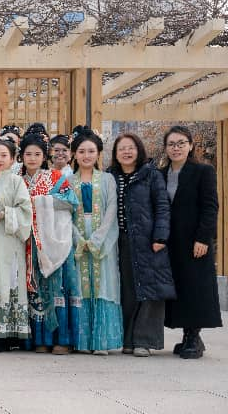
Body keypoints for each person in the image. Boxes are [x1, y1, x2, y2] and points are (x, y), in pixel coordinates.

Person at [108, 133, 174, 357]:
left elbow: (162, 206)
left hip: (148, 241)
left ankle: (144, 341)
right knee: (126, 291)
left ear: (139, 150)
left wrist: (160, 237)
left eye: (131, 147)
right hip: (120, 242)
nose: (126, 152)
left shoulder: (151, 174)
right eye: (121, 149)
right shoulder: (110, 176)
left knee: (150, 290)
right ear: (116, 154)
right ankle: (127, 340)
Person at [160, 125, 222, 359]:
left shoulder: (203, 171)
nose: (176, 148)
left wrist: (203, 238)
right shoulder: (160, 174)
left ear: (190, 145)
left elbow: (210, 207)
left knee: (195, 288)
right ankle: (188, 335)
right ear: (166, 148)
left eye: (181, 143)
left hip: (195, 241)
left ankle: (193, 337)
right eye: (171, 144)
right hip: (170, 242)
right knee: (179, 288)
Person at [19, 134, 80, 355]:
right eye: (28, 154)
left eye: (37, 154)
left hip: (52, 240)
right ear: (21, 156)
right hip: (27, 241)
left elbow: (71, 202)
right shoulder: (18, 180)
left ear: (45, 156)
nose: (32, 158)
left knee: (57, 286)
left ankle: (62, 339)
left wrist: (39, 202)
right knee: (35, 288)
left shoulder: (55, 177)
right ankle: (40, 339)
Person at [69, 126, 123, 355]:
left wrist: (98, 238)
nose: (86, 155)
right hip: (77, 237)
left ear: (99, 153)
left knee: (104, 285)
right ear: (74, 154)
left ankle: (102, 341)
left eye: (91, 151)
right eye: (81, 151)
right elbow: (64, 215)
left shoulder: (108, 179)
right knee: (81, 286)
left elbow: (111, 210)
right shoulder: (68, 181)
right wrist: (77, 238)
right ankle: (82, 341)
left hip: (103, 237)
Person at [0, 137, 32, 351]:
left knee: (11, 280)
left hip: (10, 240)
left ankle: (14, 335)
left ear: (13, 159)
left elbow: (25, 210)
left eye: (4, 155)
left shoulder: (16, 182)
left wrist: (2, 214)